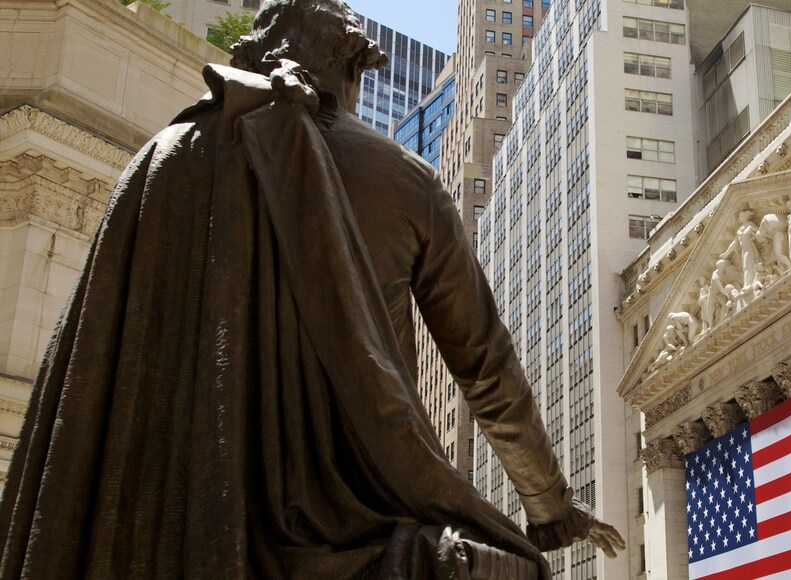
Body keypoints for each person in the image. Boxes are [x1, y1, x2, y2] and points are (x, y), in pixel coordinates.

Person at [0, 1, 622, 578]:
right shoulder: (408, 181)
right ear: (351, 69)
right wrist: (549, 508)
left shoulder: (166, 153)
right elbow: (486, 367)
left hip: (173, 509)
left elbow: (85, 363)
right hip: (361, 513)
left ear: (257, 55)